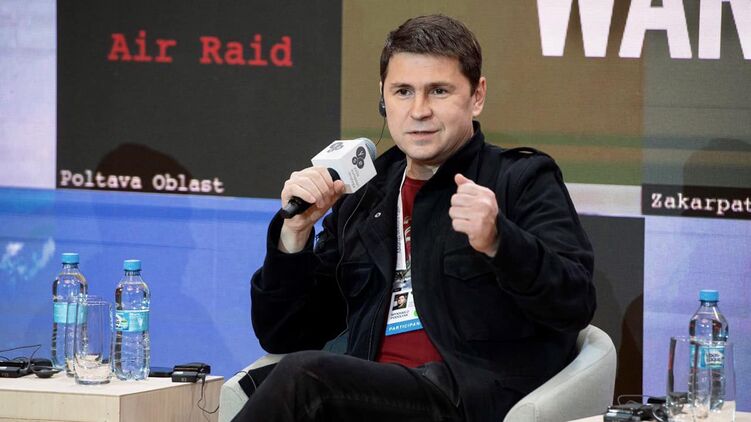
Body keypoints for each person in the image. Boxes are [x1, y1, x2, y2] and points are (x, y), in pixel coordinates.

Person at [237, 14, 595, 422]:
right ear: (383, 98)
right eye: (403, 92)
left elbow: (574, 304)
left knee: (305, 379)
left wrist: (501, 241)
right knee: (295, 377)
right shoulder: (365, 195)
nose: (419, 111)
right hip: (368, 397)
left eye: (438, 91)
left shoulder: (519, 180)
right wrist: (294, 234)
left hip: (468, 399)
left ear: (477, 96)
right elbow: (284, 334)